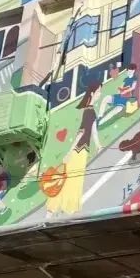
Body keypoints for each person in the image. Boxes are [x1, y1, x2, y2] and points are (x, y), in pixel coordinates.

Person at [47, 89, 100, 219]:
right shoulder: (88, 111)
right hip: (78, 150)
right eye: (98, 92)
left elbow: (93, 131)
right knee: (71, 178)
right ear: (92, 94)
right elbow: (81, 133)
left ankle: (63, 208)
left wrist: (98, 144)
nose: (100, 94)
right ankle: (56, 208)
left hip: (82, 150)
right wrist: (69, 152)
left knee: (73, 178)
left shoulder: (91, 111)